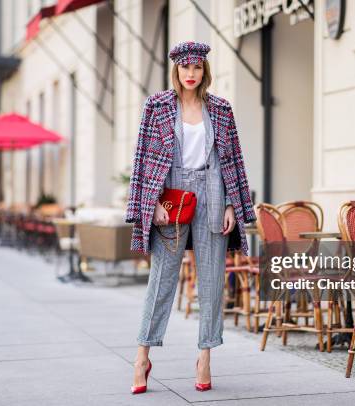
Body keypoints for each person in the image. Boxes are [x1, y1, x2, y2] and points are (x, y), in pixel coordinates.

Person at [125, 40, 256, 394]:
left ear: (205, 70)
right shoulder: (158, 107)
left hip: (213, 191)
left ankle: (205, 357)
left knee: (212, 282)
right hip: (172, 195)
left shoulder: (222, 110)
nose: (191, 74)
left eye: (197, 68)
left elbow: (232, 162)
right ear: (176, 70)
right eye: (185, 67)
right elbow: (144, 158)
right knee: (162, 280)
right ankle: (142, 357)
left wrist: (231, 204)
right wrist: (150, 203)